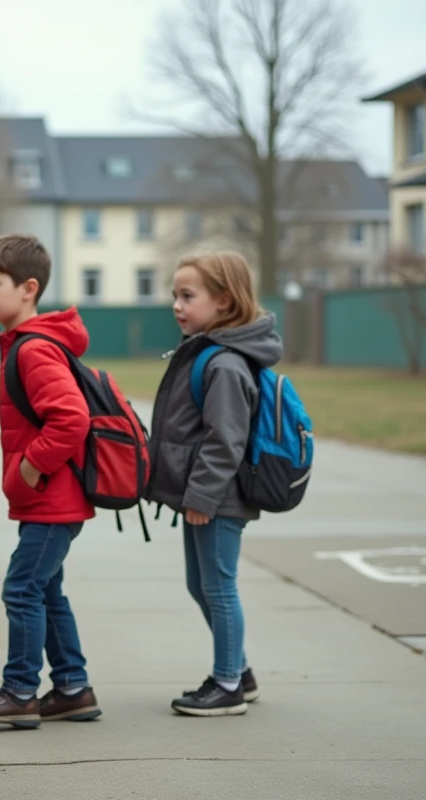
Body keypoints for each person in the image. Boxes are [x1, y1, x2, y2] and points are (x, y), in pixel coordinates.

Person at [0, 234, 102, 728]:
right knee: (46, 590)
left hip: (51, 498)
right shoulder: (27, 344)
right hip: (48, 500)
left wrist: (30, 468)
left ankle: (20, 691)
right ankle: (73, 688)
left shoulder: (34, 350)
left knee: (21, 589)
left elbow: (71, 419)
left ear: (28, 288)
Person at [145, 252, 283, 717]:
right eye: (175, 296)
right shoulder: (207, 352)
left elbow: (226, 440)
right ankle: (239, 672)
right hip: (204, 495)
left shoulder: (225, 364)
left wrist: (202, 496)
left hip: (218, 497)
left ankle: (226, 685)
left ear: (224, 302)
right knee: (199, 585)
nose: (177, 306)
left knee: (219, 588)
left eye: (188, 296)